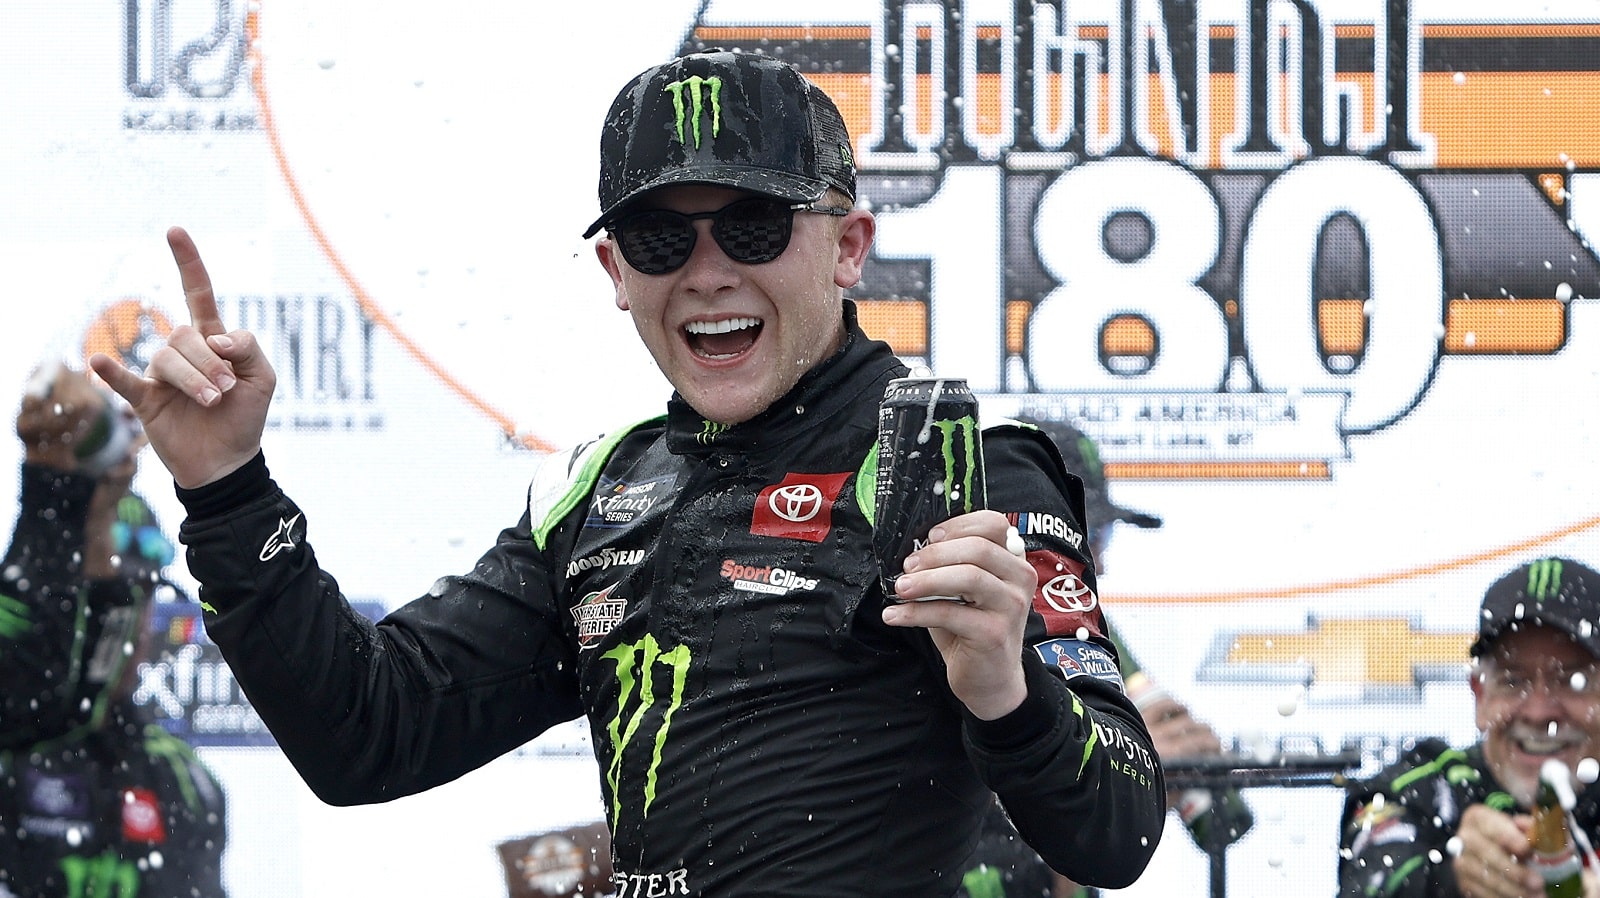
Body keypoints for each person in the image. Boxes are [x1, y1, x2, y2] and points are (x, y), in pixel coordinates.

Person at [89, 49, 1166, 896]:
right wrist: (227, 488)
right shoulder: (602, 493)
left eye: (752, 224)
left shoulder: (958, 467)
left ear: (848, 247)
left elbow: (1117, 830)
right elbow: (366, 733)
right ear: (614, 270)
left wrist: (1004, 690)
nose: (707, 273)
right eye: (658, 238)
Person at [959, 417, 1250, 898]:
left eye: (1101, 538)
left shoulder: (1082, 629)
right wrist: (1095, 757)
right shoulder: (942, 619)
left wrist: (1145, 760)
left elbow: (1157, 743)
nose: (1098, 562)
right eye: (1084, 539)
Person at [0, 363, 229, 898]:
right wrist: (57, 498)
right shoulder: (15, 744)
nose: (130, 627)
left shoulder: (186, 783)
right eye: (105, 606)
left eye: (141, 602)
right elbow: (27, 678)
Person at [1338, 556, 1600, 898]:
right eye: (1513, 681)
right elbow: (1371, 882)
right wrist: (1452, 877)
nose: (1538, 711)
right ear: (1480, 695)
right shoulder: (1414, 790)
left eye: (1570, 681)